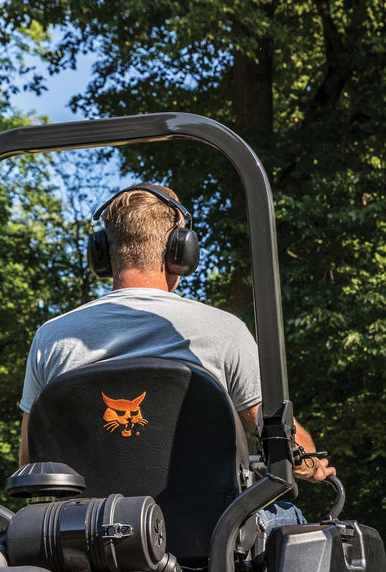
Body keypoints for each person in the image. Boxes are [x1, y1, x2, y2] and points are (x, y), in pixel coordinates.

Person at [18, 182, 333, 528]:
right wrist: (313, 465)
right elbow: (279, 439)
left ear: (104, 254)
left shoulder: (52, 339)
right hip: (210, 535)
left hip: (86, 538)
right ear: (179, 251)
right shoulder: (224, 331)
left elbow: (30, 460)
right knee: (297, 526)